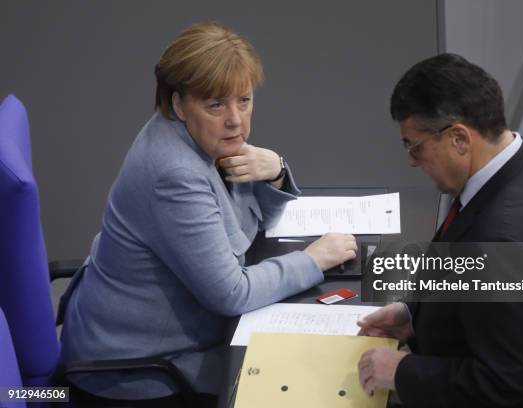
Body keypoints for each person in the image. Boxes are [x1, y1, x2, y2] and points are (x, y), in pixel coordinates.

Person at [59, 23, 357, 407]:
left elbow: (248, 225)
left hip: (169, 335)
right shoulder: (174, 173)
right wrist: (313, 260)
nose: (235, 120)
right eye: (216, 104)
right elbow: (232, 294)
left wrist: (276, 170)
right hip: (135, 370)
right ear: (179, 103)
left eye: (244, 101)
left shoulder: (200, 134)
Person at [357, 53, 523, 407]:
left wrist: (400, 370)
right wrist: (416, 314)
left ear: (459, 138)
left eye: (416, 147)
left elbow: (502, 386)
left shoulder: (499, 240)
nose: (412, 161)